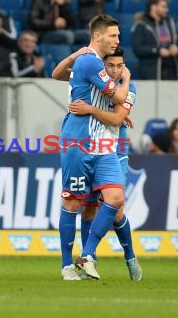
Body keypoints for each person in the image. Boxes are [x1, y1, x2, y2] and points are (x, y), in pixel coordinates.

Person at [53, 46, 142, 281]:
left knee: (116, 207)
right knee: (87, 206)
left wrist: (90, 109)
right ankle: (83, 259)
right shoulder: (93, 78)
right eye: (110, 65)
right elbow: (58, 74)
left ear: (125, 67)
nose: (114, 70)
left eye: (119, 66)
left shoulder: (129, 87)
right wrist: (73, 56)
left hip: (114, 148)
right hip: (85, 145)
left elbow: (116, 118)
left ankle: (130, 256)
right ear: (102, 65)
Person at [132, 0, 178, 80]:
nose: (167, 10)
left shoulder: (170, 23)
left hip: (171, 71)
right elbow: (137, 48)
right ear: (153, 6)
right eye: (163, 6)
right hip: (152, 72)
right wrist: (157, 51)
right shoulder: (141, 25)